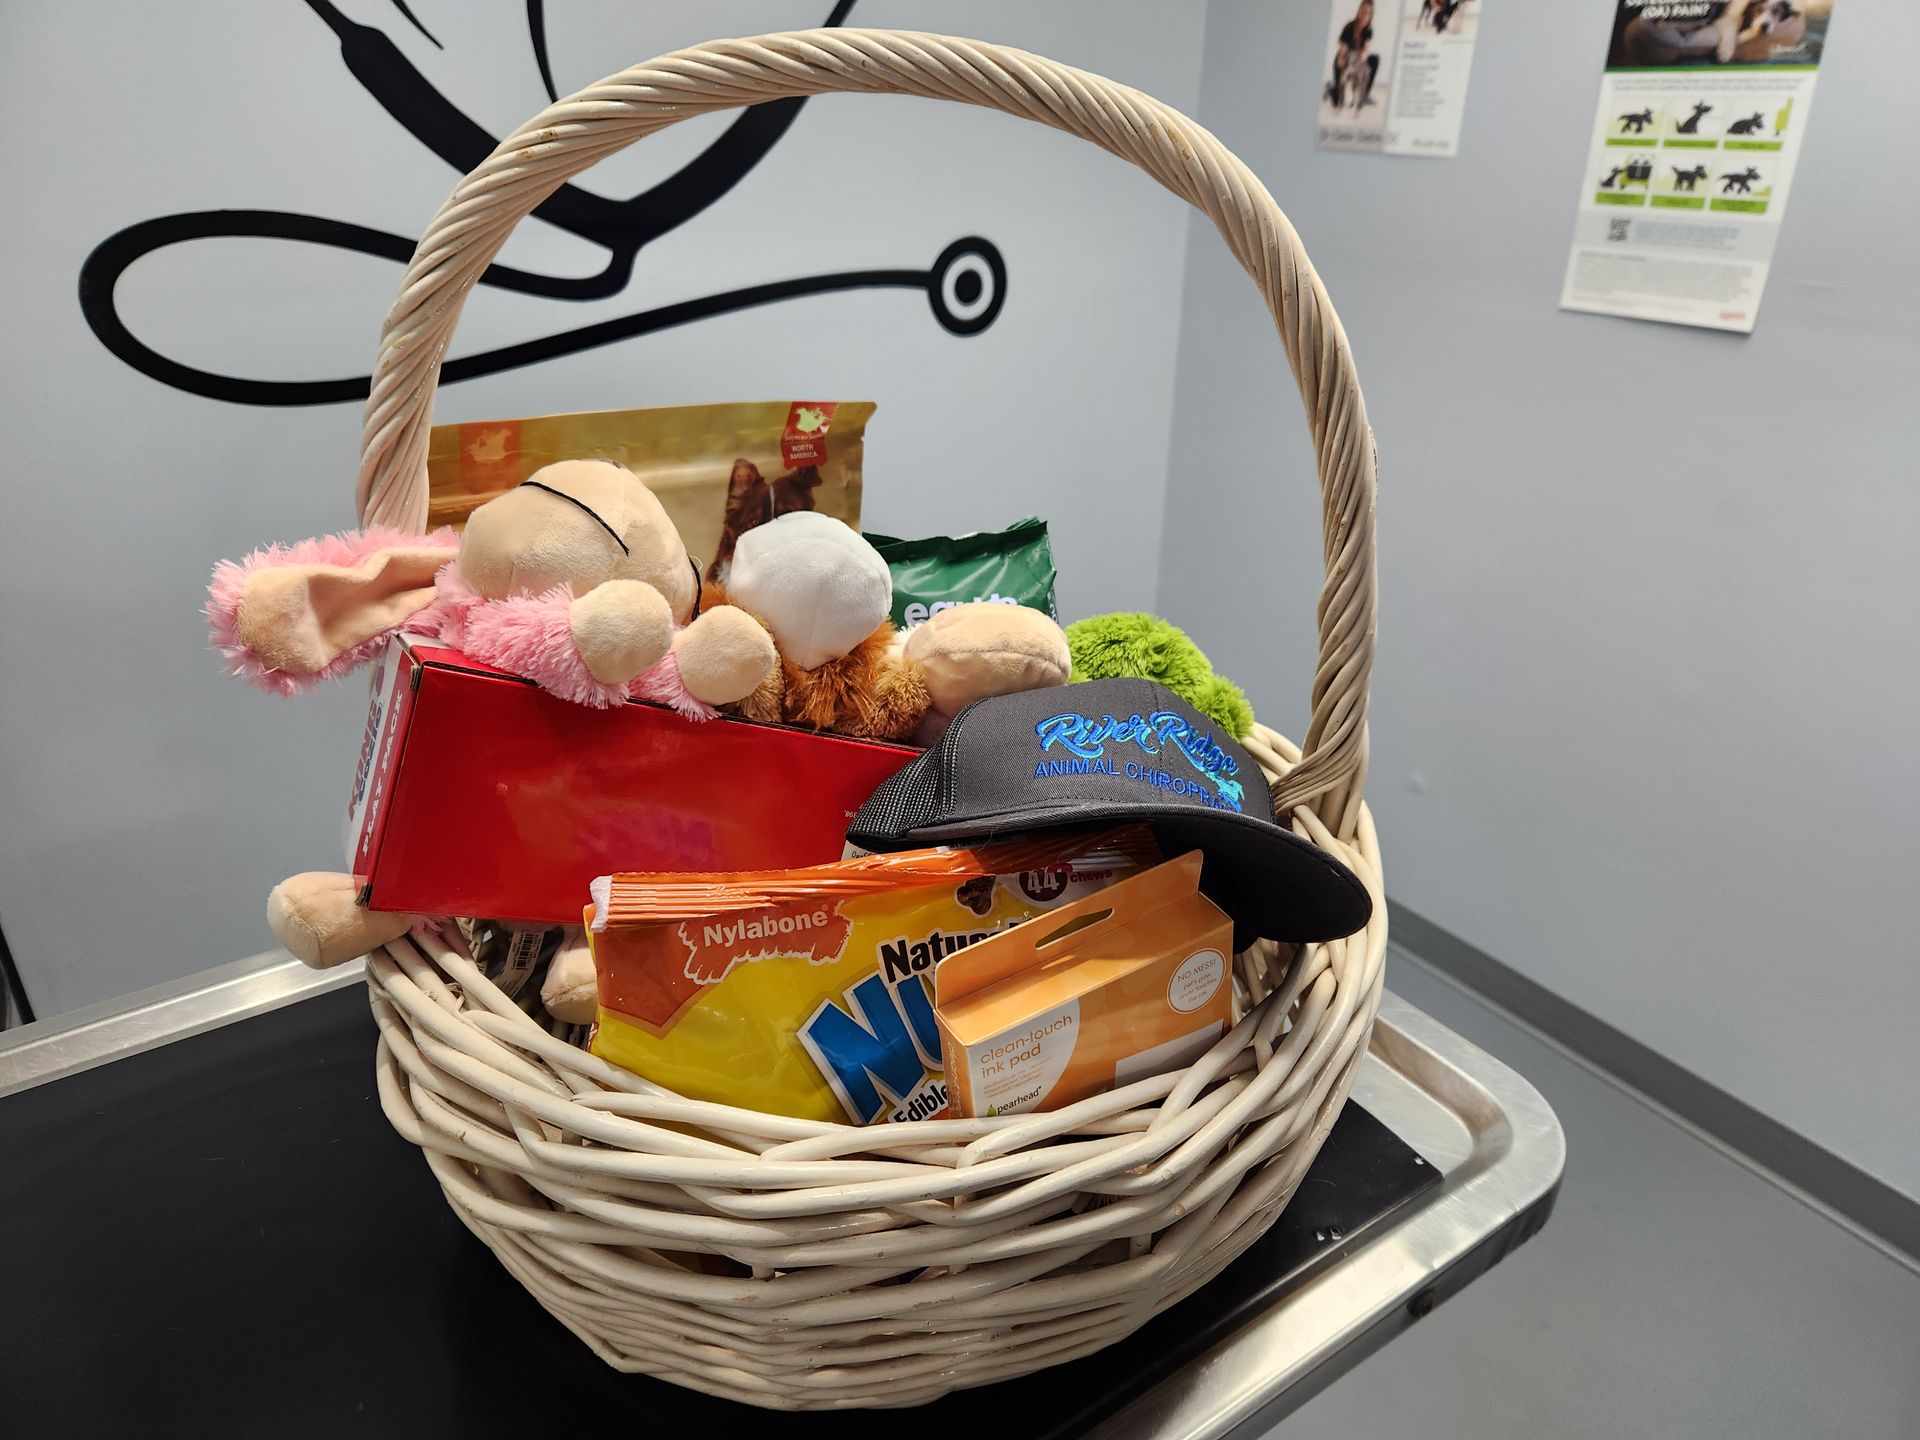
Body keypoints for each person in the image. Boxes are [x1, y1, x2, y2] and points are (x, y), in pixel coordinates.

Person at [1326, 2, 1381, 108]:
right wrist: (1344, 63)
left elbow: (1366, 48)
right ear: (1359, 12)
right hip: (1344, 59)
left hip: (1357, 60)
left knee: (1375, 59)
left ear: (1371, 15)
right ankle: (1331, 88)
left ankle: (1364, 94)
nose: (1366, 15)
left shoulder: (1369, 30)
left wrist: (1364, 55)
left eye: (1369, 13)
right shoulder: (1349, 27)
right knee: (1339, 102)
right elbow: (1342, 51)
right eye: (1364, 12)